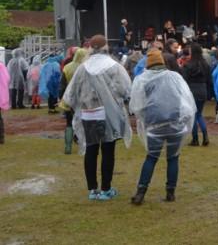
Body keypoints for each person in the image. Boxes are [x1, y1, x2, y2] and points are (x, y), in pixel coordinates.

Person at [61, 35, 132, 201]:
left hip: (89, 113)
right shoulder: (115, 67)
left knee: (91, 149)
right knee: (108, 150)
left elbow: (72, 93)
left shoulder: (83, 67)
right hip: (110, 114)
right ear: (106, 47)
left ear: (91, 48)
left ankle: (93, 189)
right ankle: (106, 188)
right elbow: (125, 89)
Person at [129, 49, 196, 205]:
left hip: (154, 125)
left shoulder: (142, 80)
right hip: (176, 124)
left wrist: (145, 118)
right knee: (173, 158)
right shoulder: (175, 77)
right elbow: (186, 100)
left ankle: (141, 192)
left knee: (151, 157)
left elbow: (136, 105)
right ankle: (170, 192)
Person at [59, 48, 88, 154]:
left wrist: (61, 98)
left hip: (69, 99)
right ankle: (83, 145)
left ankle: (68, 147)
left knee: (69, 124)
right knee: (85, 123)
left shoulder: (67, 67)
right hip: (84, 100)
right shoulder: (87, 68)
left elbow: (62, 85)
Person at [183, 43, 211, 146]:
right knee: (199, 114)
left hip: (192, 91)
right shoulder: (206, 65)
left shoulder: (188, 65)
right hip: (202, 90)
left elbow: (184, 80)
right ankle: (205, 136)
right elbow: (209, 80)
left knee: (193, 115)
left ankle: (195, 139)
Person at [0, 61, 9, 144]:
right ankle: (1, 137)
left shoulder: (1, 67)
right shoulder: (2, 67)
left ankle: (1, 137)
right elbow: (7, 79)